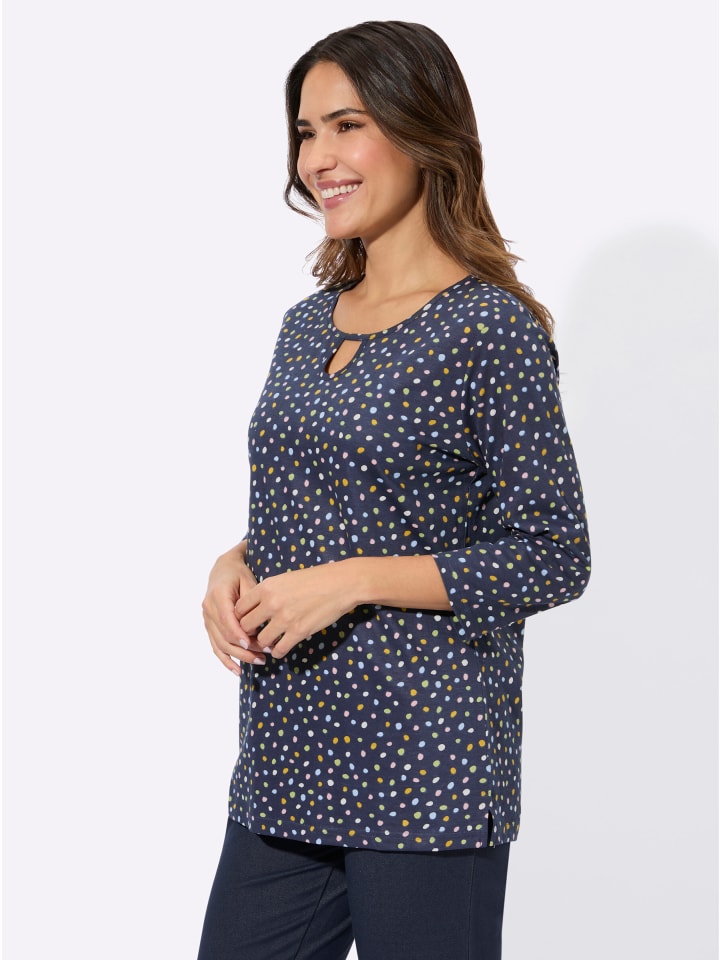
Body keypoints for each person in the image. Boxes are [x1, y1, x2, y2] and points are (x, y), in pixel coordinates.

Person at [197, 20, 590, 960]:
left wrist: (356, 581)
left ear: (423, 132)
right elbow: (318, 497)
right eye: (306, 133)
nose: (318, 160)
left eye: (348, 126)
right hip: (287, 756)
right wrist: (233, 562)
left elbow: (554, 553)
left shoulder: (489, 330)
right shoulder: (306, 325)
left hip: (426, 771)